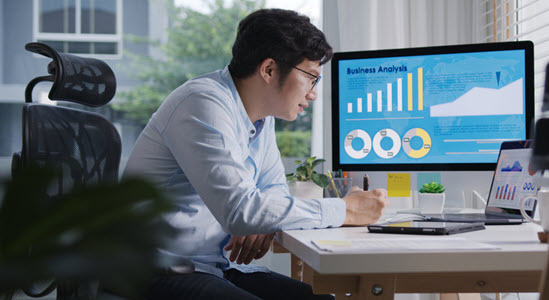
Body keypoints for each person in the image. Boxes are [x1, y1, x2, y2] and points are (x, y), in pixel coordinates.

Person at [123, 8, 389, 300]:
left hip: (207, 266)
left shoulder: (261, 119)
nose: (313, 93)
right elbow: (242, 212)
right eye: (311, 78)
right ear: (269, 70)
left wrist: (262, 217)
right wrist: (345, 210)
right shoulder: (202, 103)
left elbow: (269, 196)